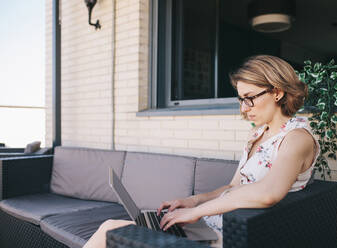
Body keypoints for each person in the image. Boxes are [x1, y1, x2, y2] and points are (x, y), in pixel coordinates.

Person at [83, 55, 319, 248]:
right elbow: (233, 187)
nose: (244, 109)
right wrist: (192, 201)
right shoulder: (257, 134)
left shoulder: (297, 138)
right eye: (240, 100)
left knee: (112, 232)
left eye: (250, 99)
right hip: (210, 225)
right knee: (110, 227)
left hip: (233, 235)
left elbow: (268, 193)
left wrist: (196, 212)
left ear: (277, 92)